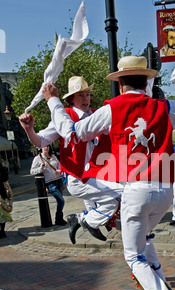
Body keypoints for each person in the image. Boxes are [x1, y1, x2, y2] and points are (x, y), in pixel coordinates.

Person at [42, 55, 175, 290]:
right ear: (145, 81)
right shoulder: (164, 107)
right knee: (146, 240)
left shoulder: (112, 109)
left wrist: (53, 102)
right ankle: (155, 288)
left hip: (136, 189)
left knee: (133, 255)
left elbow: (73, 133)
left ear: (121, 84)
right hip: (166, 189)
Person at [19, 76, 120, 243]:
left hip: (98, 176)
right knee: (121, 195)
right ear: (71, 99)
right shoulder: (64, 117)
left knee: (116, 200)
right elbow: (41, 141)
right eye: (80, 95)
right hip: (78, 178)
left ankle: (86, 221)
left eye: (87, 94)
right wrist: (29, 130)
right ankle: (86, 221)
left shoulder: (97, 114)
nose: (85, 99)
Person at [30, 145, 67, 226]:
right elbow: (32, 171)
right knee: (61, 200)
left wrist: (59, 171)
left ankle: (59, 219)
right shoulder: (38, 158)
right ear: (41, 148)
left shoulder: (53, 156)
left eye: (47, 146)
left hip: (58, 181)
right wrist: (41, 168)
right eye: (44, 146)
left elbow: (59, 166)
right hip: (50, 183)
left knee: (59, 202)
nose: (46, 148)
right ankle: (58, 218)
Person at [0, 160, 13, 238]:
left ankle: (2, 231)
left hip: (1, 193)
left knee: (3, 213)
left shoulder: (3, 169)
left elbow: (5, 179)